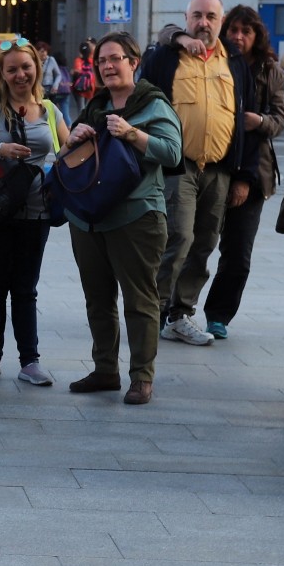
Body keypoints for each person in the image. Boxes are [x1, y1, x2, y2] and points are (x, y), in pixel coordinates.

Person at [64, 32, 182, 401]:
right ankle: (105, 370)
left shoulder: (153, 104)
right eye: (102, 61)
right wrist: (73, 136)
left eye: (116, 59)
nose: (108, 66)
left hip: (136, 215)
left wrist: (133, 134)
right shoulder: (96, 104)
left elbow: (173, 153)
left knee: (140, 298)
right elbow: (74, 153)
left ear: (134, 62)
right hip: (89, 217)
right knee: (97, 298)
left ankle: (142, 377)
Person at [138, 0, 257, 348]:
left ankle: (180, 314)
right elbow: (143, 103)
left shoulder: (236, 63)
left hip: (219, 169)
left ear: (220, 21)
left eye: (211, 16)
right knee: (178, 238)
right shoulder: (164, 58)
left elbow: (244, 122)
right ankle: (152, 312)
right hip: (178, 166)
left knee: (205, 243)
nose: (203, 22)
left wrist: (243, 175)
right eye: (197, 16)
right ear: (185, 19)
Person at [0, 39, 63, 386]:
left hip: (36, 211)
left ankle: (29, 361)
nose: (20, 74)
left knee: (25, 288)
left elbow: (67, 151)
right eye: (12, 69)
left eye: (26, 67)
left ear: (36, 66)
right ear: (1, 74)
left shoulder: (49, 110)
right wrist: (2, 147)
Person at [202, 5, 284, 340]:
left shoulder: (272, 71)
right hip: (208, 165)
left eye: (246, 31)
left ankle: (219, 315)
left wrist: (259, 122)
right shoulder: (211, 61)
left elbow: (280, 118)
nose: (238, 37)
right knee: (192, 244)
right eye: (233, 30)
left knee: (237, 253)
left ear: (258, 36)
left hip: (254, 174)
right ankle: (175, 308)